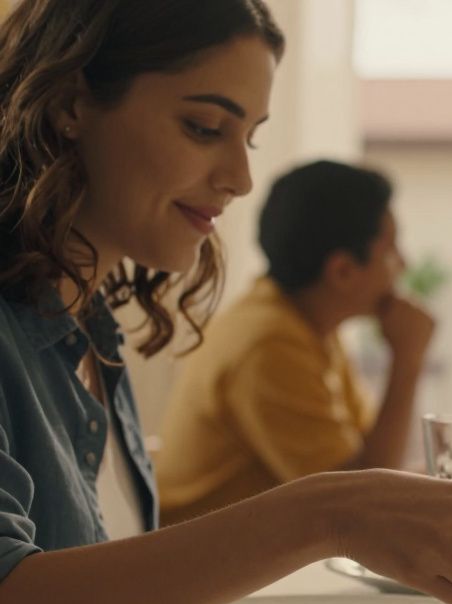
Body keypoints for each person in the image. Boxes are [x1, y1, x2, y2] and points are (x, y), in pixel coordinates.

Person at [0, 0, 452, 604]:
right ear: (73, 103)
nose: (240, 177)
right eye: (204, 128)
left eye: (250, 139)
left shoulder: (91, 330)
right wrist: (328, 512)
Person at [156, 160, 435, 523]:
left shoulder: (307, 327)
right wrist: (407, 361)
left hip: (257, 560)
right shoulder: (268, 346)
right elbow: (360, 505)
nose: (404, 265)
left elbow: (369, 464)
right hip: (198, 569)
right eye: (391, 251)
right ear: (342, 271)